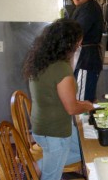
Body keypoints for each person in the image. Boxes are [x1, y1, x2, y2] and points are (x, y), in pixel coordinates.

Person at [23, 19, 95, 180]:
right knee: (51, 176)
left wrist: (84, 104)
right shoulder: (62, 69)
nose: (79, 47)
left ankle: (39, 165)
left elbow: (59, 99)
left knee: (81, 148)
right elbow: (71, 108)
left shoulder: (41, 61)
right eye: (78, 43)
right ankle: (46, 167)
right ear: (68, 44)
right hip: (55, 132)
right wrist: (88, 107)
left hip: (41, 127)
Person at [70, 0, 104, 103]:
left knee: (81, 101)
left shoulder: (89, 7)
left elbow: (76, 34)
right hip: (84, 60)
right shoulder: (81, 8)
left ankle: (84, 123)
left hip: (86, 61)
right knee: (83, 98)